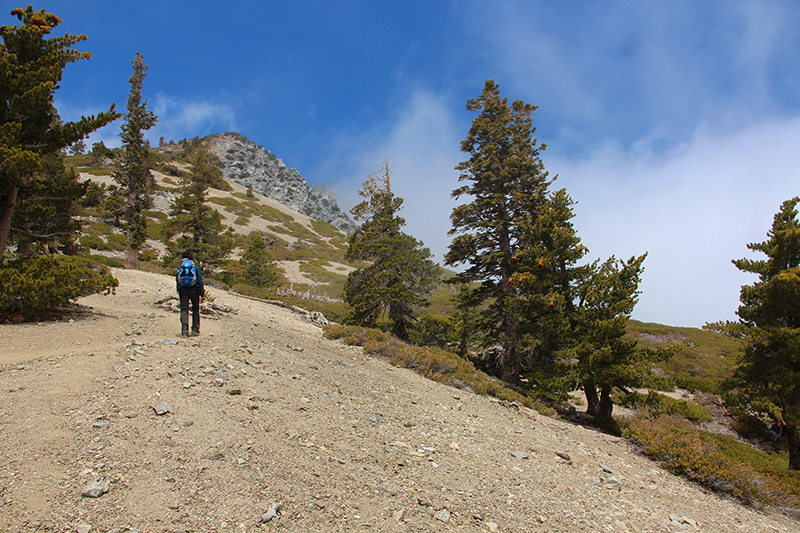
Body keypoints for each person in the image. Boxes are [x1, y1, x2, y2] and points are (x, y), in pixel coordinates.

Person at [176, 251, 205, 337]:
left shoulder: (180, 268)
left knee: (184, 309)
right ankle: (195, 329)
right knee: (195, 309)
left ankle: (185, 331)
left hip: (183, 290)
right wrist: (202, 294)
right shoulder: (195, 267)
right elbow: (200, 281)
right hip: (194, 290)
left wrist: (179, 291)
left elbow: (177, 281)